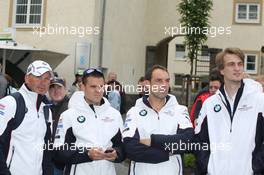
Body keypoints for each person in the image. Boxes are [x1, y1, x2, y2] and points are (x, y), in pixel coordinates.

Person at [195, 48, 264, 175]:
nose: (237, 68)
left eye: (240, 64)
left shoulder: (259, 101)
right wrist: (208, 166)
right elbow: (200, 141)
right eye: (231, 64)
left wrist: (255, 167)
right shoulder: (210, 104)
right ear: (221, 70)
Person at [122, 65, 193, 175]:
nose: (164, 85)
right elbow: (130, 148)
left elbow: (187, 141)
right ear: (147, 84)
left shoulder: (180, 110)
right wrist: (166, 153)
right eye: (159, 81)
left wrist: (152, 140)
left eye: (167, 81)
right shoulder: (134, 112)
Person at [53, 68, 125, 175]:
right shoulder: (68, 115)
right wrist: (87, 154)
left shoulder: (114, 115)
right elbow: (58, 151)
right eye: (93, 86)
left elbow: (122, 146)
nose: (98, 90)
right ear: (83, 87)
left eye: (101, 86)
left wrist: (116, 154)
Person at [0, 60, 53, 175]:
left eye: (47, 78)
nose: (43, 82)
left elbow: (47, 151)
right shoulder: (10, 102)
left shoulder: (47, 109)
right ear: (27, 78)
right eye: (38, 77)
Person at [48, 77, 69, 175]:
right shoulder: (46, 107)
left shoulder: (71, 108)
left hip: (62, 162)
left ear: (65, 90)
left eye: (59, 88)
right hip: (49, 159)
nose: (56, 91)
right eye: (52, 88)